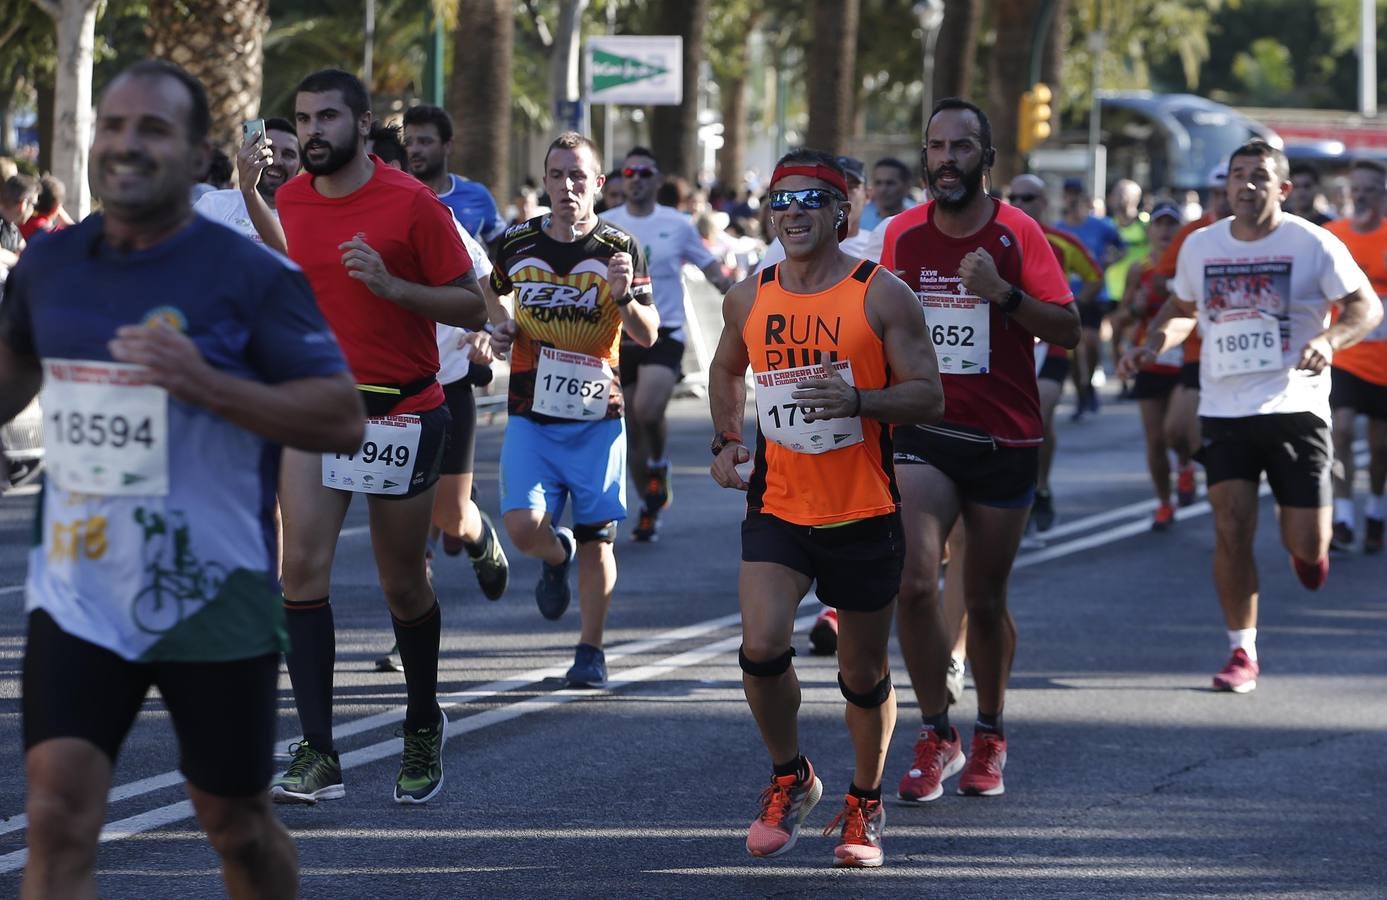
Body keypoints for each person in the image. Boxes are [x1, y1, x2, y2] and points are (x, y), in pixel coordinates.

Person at [0, 59, 364, 899]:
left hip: (211, 590)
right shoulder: (52, 267)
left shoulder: (251, 278)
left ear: (201, 151)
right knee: (55, 815)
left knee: (236, 826)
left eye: (152, 129)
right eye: (114, 127)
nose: (127, 145)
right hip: (78, 588)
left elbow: (340, 415)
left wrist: (205, 382)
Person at [710, 149, 943, 868]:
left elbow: (927, 393)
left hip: (863, 508)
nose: (793, 211)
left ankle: (864, 804)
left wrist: (861, 401)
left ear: (842, 210)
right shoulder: (751, 295)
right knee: (761, 646)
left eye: (811, 198)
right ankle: (790, 778)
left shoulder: (881, 294)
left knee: (862, 675)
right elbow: (725, 366)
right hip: (780, 503)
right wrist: (724, 440)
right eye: (780, 199)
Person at [268, 68, 487, 806]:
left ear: (362, 125)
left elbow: (471, 305)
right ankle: (318, 748)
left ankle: (423, 720)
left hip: (403, 410)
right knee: (299, 572)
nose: (312, 132)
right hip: (319, 408)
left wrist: (394, 289)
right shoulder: (292, 198)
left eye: (327, 117)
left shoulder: (410, 203)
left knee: (401, 583)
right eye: (302, 119)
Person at [1118, 139, 1381, 693]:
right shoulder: (1201, 246)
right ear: (1227, 186)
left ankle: (1311, 556)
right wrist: (1153, 343)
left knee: (1306, 545)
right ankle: (1242, 651)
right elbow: (1183, 309)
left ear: (1282, 189)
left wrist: (1331, 340)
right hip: (1225, 406)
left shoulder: (1313, 243)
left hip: (1297, 407)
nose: (1246, 184)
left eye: (1259, 175)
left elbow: (1366, 306)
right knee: (1231, 526)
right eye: (1237, 175)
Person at [884, 98, 1079, 804]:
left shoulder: (1017, 232)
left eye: (960, 147)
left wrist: (1002, 295)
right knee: (912, 582)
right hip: (924, 430)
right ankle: (937, 731)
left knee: (985, 601)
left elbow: (1068, 329)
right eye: (935, 147)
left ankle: (990, 730)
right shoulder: (900, 236)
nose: (944, 160)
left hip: (1003, 436)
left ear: (985, 158)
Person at [488, 132, 659, 688]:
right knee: (520, 527)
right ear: (545, 181)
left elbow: (649, 336)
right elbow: (491, 293)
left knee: (597, 537)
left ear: (599, 183)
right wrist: (500, 327)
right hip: (530, 410)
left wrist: (625, 296)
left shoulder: (621, 248)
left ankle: (590, 651)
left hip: (596, 419)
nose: (567, 187)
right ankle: (553, 554)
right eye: (557, 175)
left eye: (578, 175)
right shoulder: (514, 241)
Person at [601, 147, 734, 541]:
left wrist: (744, 295)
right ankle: (648, 505)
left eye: (645, 172)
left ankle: (660, 460)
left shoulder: (676, 223)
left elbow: (711, 269)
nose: (637, 178)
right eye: (630, 172)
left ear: (657, 180)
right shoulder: (606, 224)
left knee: (646, 409)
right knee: (630, 424)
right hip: (618, 333)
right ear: (623, 180)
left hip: (664, 331)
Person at [1006, 173, 1103, 532]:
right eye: (1013, 197)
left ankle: (1041, 487)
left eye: (1028, 198)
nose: (1020, 204)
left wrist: (1068, 312)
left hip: (1049, 345)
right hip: (1003, 346)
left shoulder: (1061, 242)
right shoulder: (988, 237)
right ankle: (1011, 490)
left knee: (1041, 417)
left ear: (1043, 203)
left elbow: (1094, 276)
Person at [1145, 164, 1233, 508]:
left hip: (1248, 359)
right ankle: (1193, 469)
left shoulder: (1264, 234)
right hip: (1198, 350)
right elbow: (1160, 280)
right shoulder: (1195, 234)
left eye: (1228, 193)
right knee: (1175, 431)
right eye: (1217, 194)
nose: (1223, 201)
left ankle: (1227, 488)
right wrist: (1192, 289)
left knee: (1212, 435)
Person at [1325, 160, 1387, 554]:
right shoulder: (1333, 236)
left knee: (1381, 450)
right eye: (1356, 189)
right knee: (1341, 431)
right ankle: (1344, 515)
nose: (1361, 195)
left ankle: (1376, 510)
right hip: (1345, 352)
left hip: (1383, 362)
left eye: (1370, 189)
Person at [1118, 200, 1186, 529]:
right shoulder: (1139, 268)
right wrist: (1135, 309)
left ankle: (1185, 465)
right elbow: (1124, 311)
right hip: (1150, 360)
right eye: (1159, 224)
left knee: (1178, 431)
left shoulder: (1187, 265)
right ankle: (1164, 502)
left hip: (1185, 362)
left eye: (1171, 224)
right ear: (1150, 230)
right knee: (1156, 440)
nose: (1165, 230)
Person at [1055, 177, 1124, 418]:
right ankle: (1081, 392)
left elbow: (1120, 246)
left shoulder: (1101, 226)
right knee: (1075, 351)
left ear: (1084, 197)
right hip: (1067, 295)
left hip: (1095, 293)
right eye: (1067, 194)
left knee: (1092, 342)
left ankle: (1091, 383)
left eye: (1075, 193)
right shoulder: (1058, 229)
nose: (1071, 198)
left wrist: (1109, 262)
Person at [402, 104, 507, 243]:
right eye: (408, 142)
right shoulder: (396, 197)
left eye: (425, 142)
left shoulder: (478, 195)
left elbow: (503, 247)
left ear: (448, 146)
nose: (414, 150)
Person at [194, 116, 301, 245]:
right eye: (269, 150)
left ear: (300, 165)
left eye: (288, 155)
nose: (277, 161)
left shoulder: (306, 221)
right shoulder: (214, 204)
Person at [859, 157, 915, 232]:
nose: (883, 189)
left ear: (907, 186)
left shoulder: (918, 219)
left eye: (890, 183)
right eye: (878, 183)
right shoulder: (860, 220)